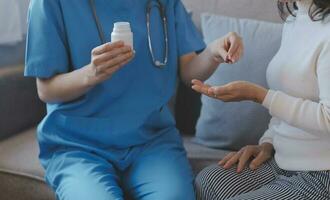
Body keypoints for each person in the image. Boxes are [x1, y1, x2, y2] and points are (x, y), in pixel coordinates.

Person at [24, 0, 243, 199]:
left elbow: (189, 71)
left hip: (151, 141)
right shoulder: (50, 4)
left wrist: (213, 52)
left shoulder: (165, 3)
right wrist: (91, 74)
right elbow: (46, 89)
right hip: (78, 145)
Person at [192, 0, 330, 199]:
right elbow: (287, 94)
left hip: (321, 174)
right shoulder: (295, 20)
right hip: (280, 162)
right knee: (209, 182)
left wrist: (258, 95)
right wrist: (268, 143)